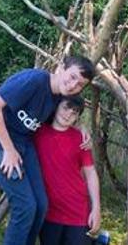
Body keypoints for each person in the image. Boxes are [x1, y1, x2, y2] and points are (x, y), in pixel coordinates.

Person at [0, 56, 95, 245]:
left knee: (41, 205)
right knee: (25, 205)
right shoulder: (33, 80)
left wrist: (81, 128)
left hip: (24, 141)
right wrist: (8, 150)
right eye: (72, 76)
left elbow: (66, 116)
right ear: (60, 68)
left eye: (80, 84)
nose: (73, 85)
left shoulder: (60, 97)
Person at [35, 95, 101, 245]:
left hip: (77, 211)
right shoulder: (38, 132)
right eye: (66, 108)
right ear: (56, 107)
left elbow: (90, 173)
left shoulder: (80, 139)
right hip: (49, 213)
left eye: (74, 112)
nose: (68, 114)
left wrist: (96, 208)